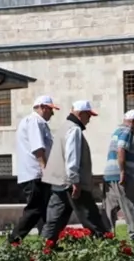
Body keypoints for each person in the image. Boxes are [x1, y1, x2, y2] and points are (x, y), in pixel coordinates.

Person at [42, 100, 110, 243]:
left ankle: (45, 248)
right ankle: (106, 247)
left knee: (54, 220)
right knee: (91, 218)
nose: (89, 120)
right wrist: (75, 181)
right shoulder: (74, 129)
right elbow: (72, 157)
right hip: (72, 183)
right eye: (88, 116)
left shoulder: (64, 127)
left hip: (58, 181)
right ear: (80, 114)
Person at [7, 95, 62, 244]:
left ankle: (48, 243)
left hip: (37, 173)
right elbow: (38, 148)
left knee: (44, 211)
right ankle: (13, 241)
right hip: (36, 173)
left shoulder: (38, 122)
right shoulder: (35, 121)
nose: (52, 113)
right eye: (51, 109)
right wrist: (44, 169)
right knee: (35, 210)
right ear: (42, 107)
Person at [104, 109, 134, 239]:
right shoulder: (127, 131)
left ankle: (108, 235)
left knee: (110, 207)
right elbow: (121, 149)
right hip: (121, 176)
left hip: (110, 175)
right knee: (132, 205)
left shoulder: (117, 131)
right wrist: (123, 172)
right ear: (132, 121)